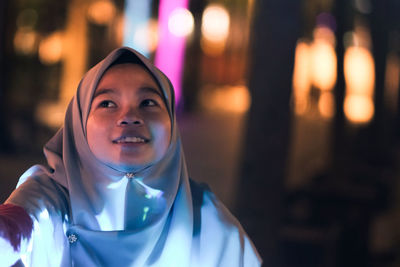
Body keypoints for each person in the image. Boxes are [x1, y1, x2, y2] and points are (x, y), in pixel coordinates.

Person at [0, 47, 261, 266]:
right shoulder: (50, 198)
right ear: (78, 124)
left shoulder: (205, 219)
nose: (129, 116)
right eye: (107, 103)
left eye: (148, 102)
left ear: (172, 123)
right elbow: (16, 225)